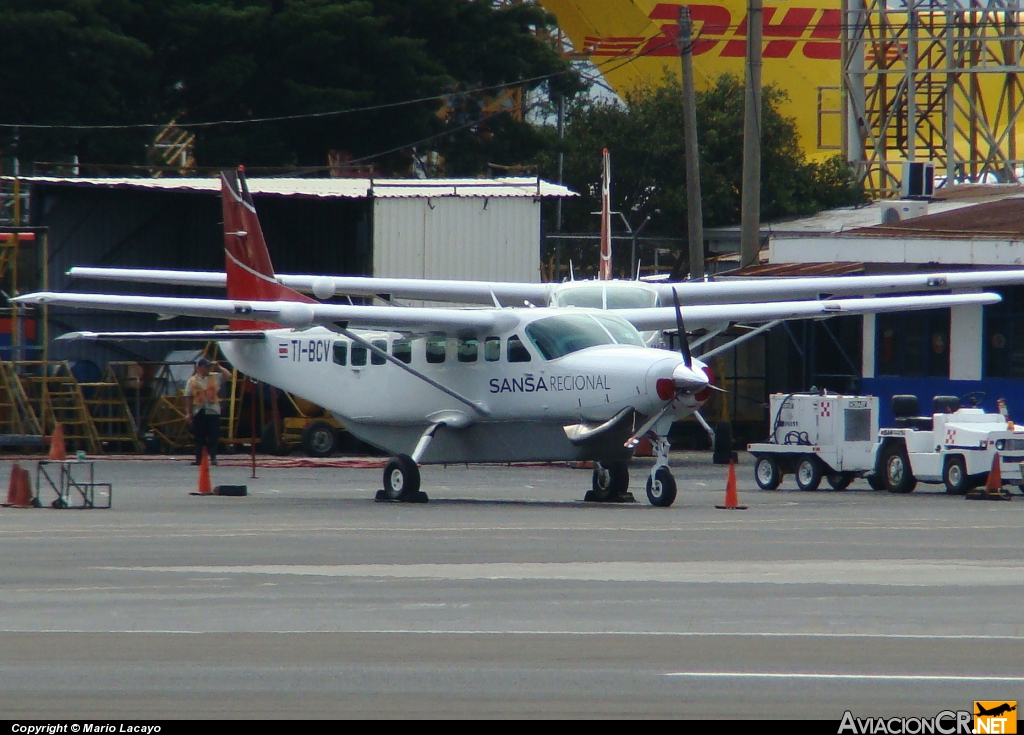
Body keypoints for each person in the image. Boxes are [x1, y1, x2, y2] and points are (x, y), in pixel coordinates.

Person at [185, 357, 232, 466]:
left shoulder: (215, 377)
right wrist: (188, 413)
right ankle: (199, 459)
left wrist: (219, 367)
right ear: (200, 368)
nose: (208, 368)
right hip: (199, 410)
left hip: (213, 410)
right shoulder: (192, 380)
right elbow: (188, 396)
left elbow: (228, 375)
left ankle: (213, 457)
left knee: (213, 436)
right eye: (206, 366)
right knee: (199, 436)